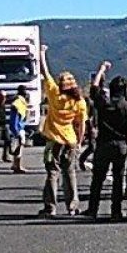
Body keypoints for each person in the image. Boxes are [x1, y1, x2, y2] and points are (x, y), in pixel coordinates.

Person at [38, 45, 88, 217]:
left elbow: (46, 73)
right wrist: (79, 141)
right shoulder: (79, 102)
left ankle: (50, 207)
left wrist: (42, 54)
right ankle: (72, 206)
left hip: (54, 140)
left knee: (53, 173)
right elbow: (81, 124)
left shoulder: (54, 95)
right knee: (70, 173)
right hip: (70, 140)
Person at [84, 62, 127, 221]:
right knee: (118, 179)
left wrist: (101, 70)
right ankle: (116, 211)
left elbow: (94, 89)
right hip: (121, 144)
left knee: (97, 179)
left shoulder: (104, 103)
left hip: (103, 143)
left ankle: (92, 209)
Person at [8, 86, 30, 173]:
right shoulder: (18, 103)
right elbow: (14, 119)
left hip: (19, 127)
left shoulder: (20, 102)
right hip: (18, 129)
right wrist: (16, 132)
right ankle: (18, 166)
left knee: (18, 147)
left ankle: (15, 165)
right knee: (19, 148)